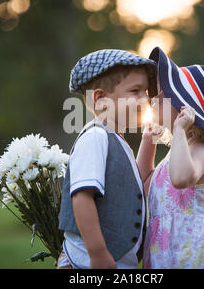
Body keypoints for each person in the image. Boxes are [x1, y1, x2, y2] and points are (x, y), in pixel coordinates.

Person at [57, 49, 157, 269]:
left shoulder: (116, 140)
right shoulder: (95, 137)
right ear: (101, 99)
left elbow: (133, 186)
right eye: (135, 91)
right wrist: (98, 253)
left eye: (146, 91)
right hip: (88, 263)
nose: (146, 98)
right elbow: (82, 198)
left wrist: (149, 141)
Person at [137, 47, 204, 269]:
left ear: (184, 108)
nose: (153, 101)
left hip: (192, 254)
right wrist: (148, 142)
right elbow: (144, 182)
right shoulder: (174, 154)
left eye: (161, 96)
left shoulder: (202, 152)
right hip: (163, 253)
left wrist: (179, 130)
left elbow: (180, 179)